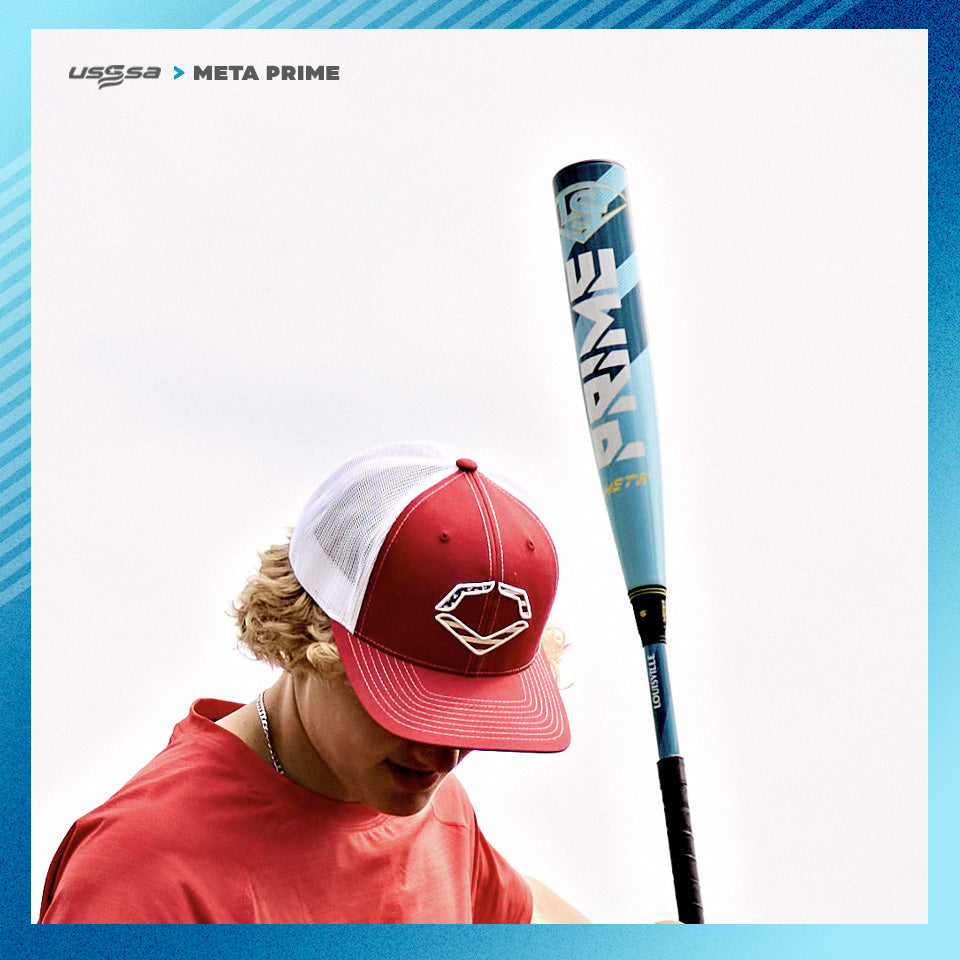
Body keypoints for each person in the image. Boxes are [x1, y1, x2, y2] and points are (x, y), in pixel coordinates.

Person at [39, 442, 589, 923]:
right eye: (412, 705)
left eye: (470, 713)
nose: (445, 754)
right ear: (308, 638)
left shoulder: (435, 806)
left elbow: (514, 912)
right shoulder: (140, 876)